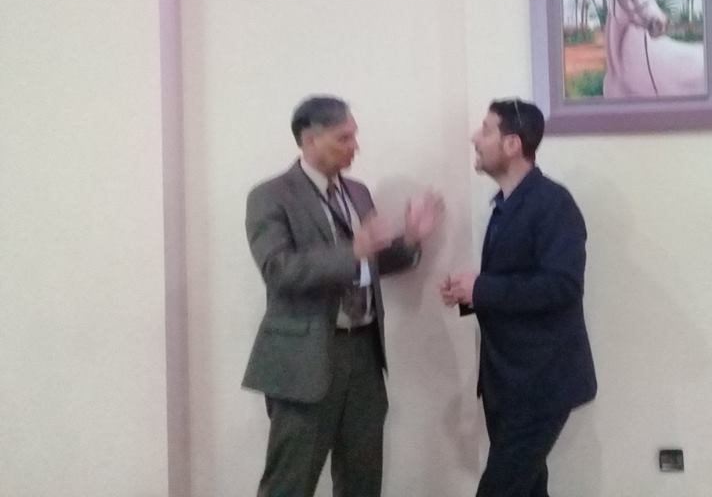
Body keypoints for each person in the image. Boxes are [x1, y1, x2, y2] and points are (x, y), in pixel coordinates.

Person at [243, 95, 442, 497]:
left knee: (362, 480)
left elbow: (370, 262)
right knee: (289, 483)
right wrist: (353, 251)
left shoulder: (358, 192)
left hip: (365, 353)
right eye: (343, 138)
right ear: (309, 140)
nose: (355, 147)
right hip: (305, 360)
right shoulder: (270, 196)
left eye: (355, 136)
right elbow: (278, 270)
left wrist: (410, 240)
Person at [441, 98, 597, 497]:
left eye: (486, 129)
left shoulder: (553, 203)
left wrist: (482, 288)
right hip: (507, 382)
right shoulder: (504, 205)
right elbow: (517, 283)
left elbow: (562, 286)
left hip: (541, 383)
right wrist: (469, 292)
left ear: (512, 144)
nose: (475, 138)